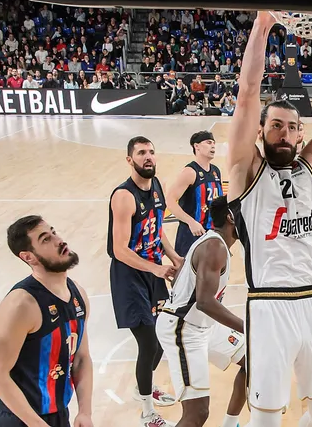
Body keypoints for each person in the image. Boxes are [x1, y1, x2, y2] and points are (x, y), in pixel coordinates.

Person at [226, 11, 312, 427]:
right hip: (268, 306)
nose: (283, 132)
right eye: (274, 125)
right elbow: (247, 94)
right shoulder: (246, 171)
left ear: (300, 134)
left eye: (291, 127)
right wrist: (262, 24)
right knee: (265, 421)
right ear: (261, 132)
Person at [0, 215, 94, 427]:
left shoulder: (77, 294)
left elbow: (81, 358)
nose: (59, 241)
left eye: (54, 232)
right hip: (20, 419)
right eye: (45, 239)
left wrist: (85, 412)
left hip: (57, 413)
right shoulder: (21, 305)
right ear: (29, 257)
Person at [108, 136, 182, 427]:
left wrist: (174, 257)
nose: (148, 157)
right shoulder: (123, 196)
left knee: (162, 338)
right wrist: (155, 269)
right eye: (141, 153)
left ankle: (144, 389)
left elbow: (158, 229)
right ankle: (147, 413)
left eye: (151, 151)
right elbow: (119, 249)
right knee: (149, 342)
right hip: (130, 276)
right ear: (130, 160)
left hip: (153, 272)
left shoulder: (157, 186)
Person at [156, 195, 246, 427]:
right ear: (230, 217)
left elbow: (183, 283)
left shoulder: (213, 242)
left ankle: (230, 423)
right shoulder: (214, 246)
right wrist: (248, 327)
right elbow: (205, 302)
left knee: (254, 360)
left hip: (203, 324)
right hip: (184, 328)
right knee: (197, 413)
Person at [165, 131, 223, 258]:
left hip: (211, 234)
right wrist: (191, 222)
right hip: (191, 235)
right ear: (196, 146)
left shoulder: (216, 171)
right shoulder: (190, 172)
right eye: (208, 143)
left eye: (214, 143)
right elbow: (169, 201)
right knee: (188, 276)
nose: (213, 146)